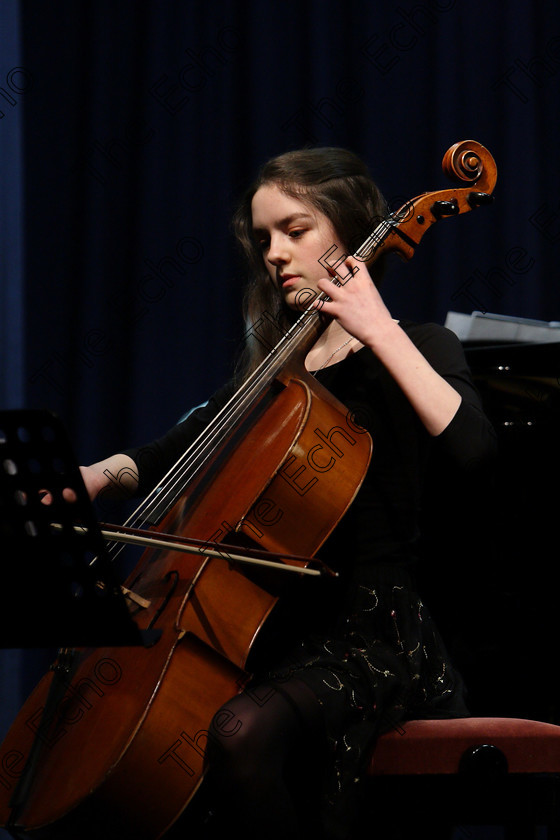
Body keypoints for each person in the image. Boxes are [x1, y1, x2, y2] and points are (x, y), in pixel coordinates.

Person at [75, 148, 497, 839]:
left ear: (353, 229)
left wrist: (377, 327)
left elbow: (474, 448)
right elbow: (177, 448)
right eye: (264, 238)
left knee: (241, 732)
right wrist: (91, 477)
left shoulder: (417, 346)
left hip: (375, 641)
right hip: (283, 636)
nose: (274, 254)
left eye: (294, 231)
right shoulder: (277, 371)